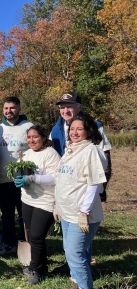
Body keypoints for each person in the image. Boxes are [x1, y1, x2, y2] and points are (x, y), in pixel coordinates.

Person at [50, 92, 112, 276]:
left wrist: (102, 188)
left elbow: (105, 160)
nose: (65, 110)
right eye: (62, 107)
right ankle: (74, 267)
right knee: (71, 231)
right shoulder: (56, 129)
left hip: (86, 186)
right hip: (67, 186)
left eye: (69, 106)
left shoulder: (94, 126)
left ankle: (81, 269)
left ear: (79, 107)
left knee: (82, 232)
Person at [52, 114, 107, 289]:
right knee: (71, 252)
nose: (74, 132)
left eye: (79, 129)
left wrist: (84, 212)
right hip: (67, 211)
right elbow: (62, 179)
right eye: (72, 129)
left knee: (75, 253)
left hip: (81, 214)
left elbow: (94, 184)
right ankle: (76, 284)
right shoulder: (70, 151)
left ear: (89, 131)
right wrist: (57, 204)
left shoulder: (91, 151)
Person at [13, 126, 61, 284]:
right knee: (32, 235)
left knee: (37, 236)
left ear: (43, 138)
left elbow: (55, 177)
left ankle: (35, 270)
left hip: (45, 200)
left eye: (35, 137)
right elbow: (18, 172)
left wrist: (32, 178)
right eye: (29, 137)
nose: (31, 140)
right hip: (27, 199)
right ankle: (42, 267)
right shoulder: (26, 154)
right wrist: (17, 178)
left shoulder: (50, 154)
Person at [0, 97, 34, 254]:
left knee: (24, 213)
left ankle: (25, 241)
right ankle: (8, 242)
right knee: (6, 214)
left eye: (12, 108)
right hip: (1, 179)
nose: (9, 111)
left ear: (19, 108)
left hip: (21, 180)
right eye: (6, 108)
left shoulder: (28, 127)